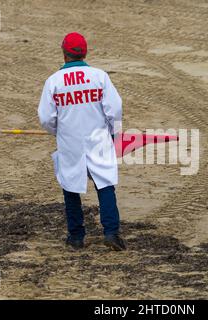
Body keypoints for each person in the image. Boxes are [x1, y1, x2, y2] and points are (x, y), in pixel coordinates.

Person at [38, 32, 126, 251]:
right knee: (105, 184)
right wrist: (112, 131)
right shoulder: (99, 76)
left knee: (70, 185)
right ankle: (111, 232)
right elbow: (114, 110)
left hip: (70, 141)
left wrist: (58, 132)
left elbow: (46, 118)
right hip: (98, 137)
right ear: (84, 52)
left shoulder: (54, 81)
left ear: (64, 52)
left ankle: (76, 237)